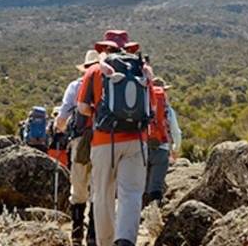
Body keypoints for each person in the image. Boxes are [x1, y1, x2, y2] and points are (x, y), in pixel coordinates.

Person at [77, 30, 150, 246]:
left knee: (102, 195)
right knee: (131, 192)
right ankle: (125, 240)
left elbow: (82, 107)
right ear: (128, 48)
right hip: (137, 139)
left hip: (104, 140)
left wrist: (99, 114)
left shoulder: (96, 71)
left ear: (104, 48)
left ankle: (105, 242)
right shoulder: (142, 69)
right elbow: (150, 108)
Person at [56, 50, 101, 246]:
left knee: (79, 188)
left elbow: (62, 118)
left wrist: (59, 129)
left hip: (80, 142)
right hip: (103, 142)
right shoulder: (106, 83)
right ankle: (93, 235)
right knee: (98, 190)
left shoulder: (75, 86)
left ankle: (76, 235)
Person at [145, 77, 182, 207]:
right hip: (162, 148)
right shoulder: (168, 110)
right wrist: (175, 150)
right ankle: (154, 212)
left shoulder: (143, 106)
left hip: (142, 148)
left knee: (141, 184)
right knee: (156, 185)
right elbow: (176, 132)